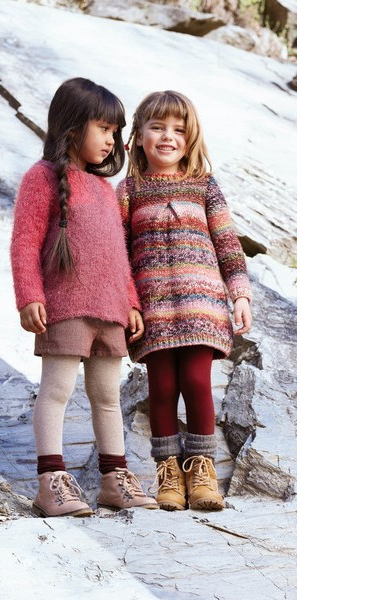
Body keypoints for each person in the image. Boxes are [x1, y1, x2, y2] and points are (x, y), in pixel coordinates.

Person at [10, 77, 158, 518]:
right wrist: (29, 294)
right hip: (66, 306)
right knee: (57, 390)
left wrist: (131, 301)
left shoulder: (104, 189)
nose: (112, 140)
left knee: (107, 395)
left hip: (110, 311)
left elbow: (117, 254)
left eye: (115, 132)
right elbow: (24, 243)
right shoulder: (41, 178)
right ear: (72, 128)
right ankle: (51, 481)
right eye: (104, 129)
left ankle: (115, 479)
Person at [116, 90, 253, 511]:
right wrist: (129, 304)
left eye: (178, 129)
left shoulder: (204, 186)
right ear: (138, 136)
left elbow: (227, 243)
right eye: (157, 127)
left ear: (190, 137)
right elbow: (118, 254)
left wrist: (240, 294)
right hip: (153, 310)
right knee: (162, 388)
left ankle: (201, 471)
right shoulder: (129, 190)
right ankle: (168, 474)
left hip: (202, 306)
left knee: (195, 382)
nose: (168, 137)